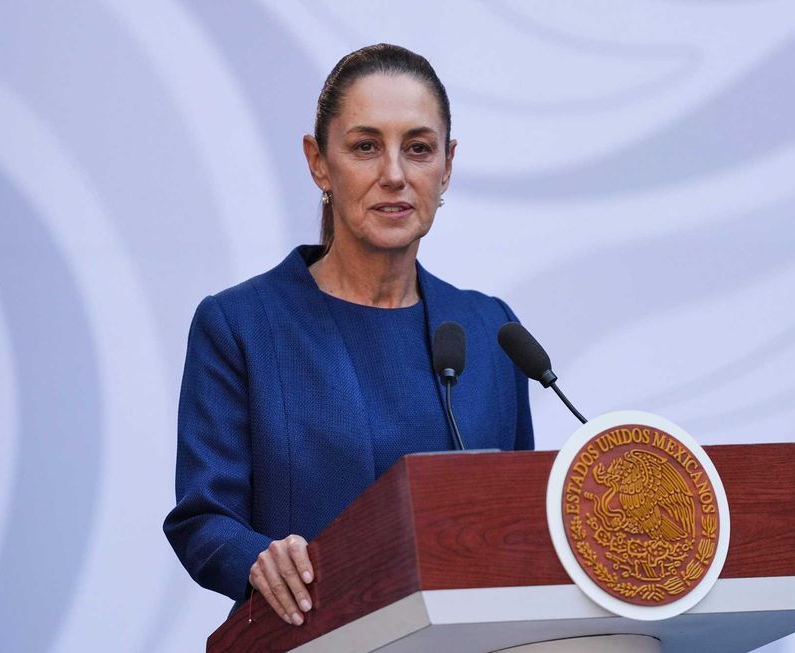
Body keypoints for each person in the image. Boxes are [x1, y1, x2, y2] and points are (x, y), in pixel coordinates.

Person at [164, 43, 534, 628]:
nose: (394, 174)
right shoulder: (241, 326)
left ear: (447, 166)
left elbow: (519, 517)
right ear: (318, 162)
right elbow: (203, 518)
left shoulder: (491, 331)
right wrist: (257, 560)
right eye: (365, 147)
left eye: (418, 148)